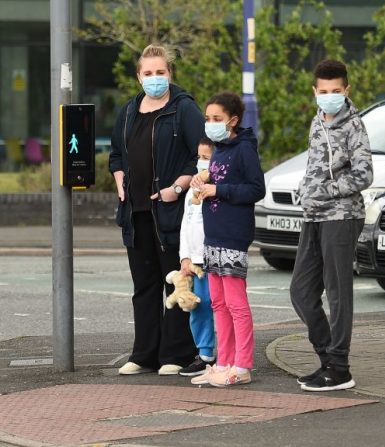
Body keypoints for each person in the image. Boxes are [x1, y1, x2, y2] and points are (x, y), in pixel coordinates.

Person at [109, 44, 205, 376]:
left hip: (171, 213)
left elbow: (202, 156)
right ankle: (144, 354)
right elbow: (116, 155)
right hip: (135, 213)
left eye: (160, 72)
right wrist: (119, 179)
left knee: (176, 282)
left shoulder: (184, 109)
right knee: (144, 286)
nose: (154, 79)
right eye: (148, 73)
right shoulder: (128, 112)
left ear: (169, 74)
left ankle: (176, 354)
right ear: (139, 77)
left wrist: (177, 187)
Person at [290, 59, 373, 392]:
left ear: (346, 90)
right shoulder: (315, 122)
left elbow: (364, 175)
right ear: (315, 91)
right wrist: (304, 189)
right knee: (300, 291)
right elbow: (317, 169)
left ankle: (340, 368)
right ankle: (327, 359)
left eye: (335, 91)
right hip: (314, 217)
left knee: (338, 295)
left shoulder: (354, 125)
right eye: (323, 92)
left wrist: (322, 190)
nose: (329, 97)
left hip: (342, 216)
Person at [189, 92, 265, 387]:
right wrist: (205, 180)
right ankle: (223, 362)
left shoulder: (244, 148)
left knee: (235, 303)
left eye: (217, 119)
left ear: (232, 121)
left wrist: (219, 190)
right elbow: (220, 179)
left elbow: (256, 189)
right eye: (208, 119)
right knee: (218, 302)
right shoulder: (219, 148)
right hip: (214, 235)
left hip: (234, 235)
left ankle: (242, 365)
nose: (211, 124)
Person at [178, 137, 216, 377]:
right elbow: (185, 226)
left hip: (213, 259)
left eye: (207, 158)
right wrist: (185, 258)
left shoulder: (215, 192)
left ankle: (224, 354)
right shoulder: (190, 193)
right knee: (197, 308)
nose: (201, 163)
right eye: (199, 157)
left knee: (218, 306)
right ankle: (204, 354)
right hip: (195, 262)